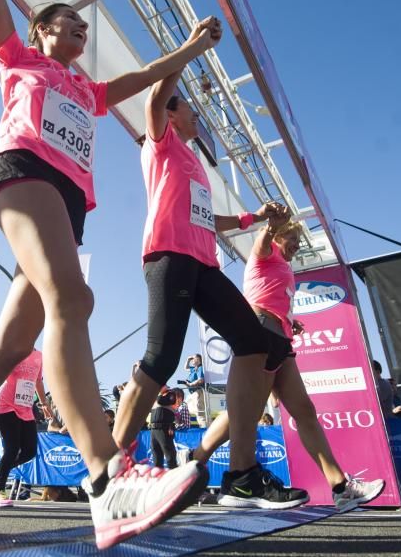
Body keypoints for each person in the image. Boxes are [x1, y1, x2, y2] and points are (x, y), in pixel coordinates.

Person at [0, 0, 238, 548]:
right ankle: (107, 476)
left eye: (85, 28)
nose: (81, 33)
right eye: (68, 24)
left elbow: (145, 80)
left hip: (69, 203)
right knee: (72, 301)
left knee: (5, 348)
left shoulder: (90, 90)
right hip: (21, 175)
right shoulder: (18, 58)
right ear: (41, 32)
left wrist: (192, 49)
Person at [112, 61, 301, 512]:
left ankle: (241, 476)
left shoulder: (194, 163)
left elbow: (210, 220)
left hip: (204, 263)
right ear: (173, 115)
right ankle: (110, 464)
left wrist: (255, 218)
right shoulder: (160, 144)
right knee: (162, 358)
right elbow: (156, 98)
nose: (198, 116)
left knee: (256, 345)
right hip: (169, 256)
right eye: (191, 109)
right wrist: (193, 48)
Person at [193, 212, 384, 511]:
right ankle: (197, 463)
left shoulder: (283, 266)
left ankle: (341, 487)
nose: (296, 244)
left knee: (303, 410)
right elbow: (263, 240)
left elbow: (275, 297)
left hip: (281, 337)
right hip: (260, 332)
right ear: (278, 236)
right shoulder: (264, 253)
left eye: (297, 239)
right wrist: (270, 226)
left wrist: (289, 322)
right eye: (291, 237)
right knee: (246, 410)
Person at [0, 349, 51, 507]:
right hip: (6, 406)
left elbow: (38, 381)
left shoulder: (39, 356)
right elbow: (0, 372)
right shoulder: (16, 350)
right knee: (12, 449)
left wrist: (43, 404)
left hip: (26, 408)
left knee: (30, 451)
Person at [147, 388, 178, 469]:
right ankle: (158, 476)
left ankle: (173, 474)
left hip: (164, 429)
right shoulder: (156, 396)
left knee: (169, 455)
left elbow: (161, 400)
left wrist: (160, 392)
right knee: (156, 455)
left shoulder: (170, 393)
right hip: (154, 430)